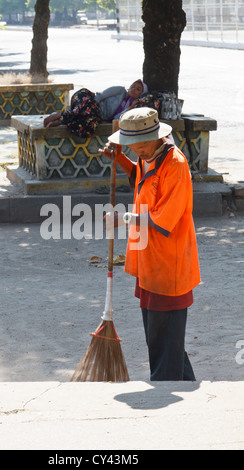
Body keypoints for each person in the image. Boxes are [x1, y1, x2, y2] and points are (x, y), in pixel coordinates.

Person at [99, 107, 201, 381]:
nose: (138, 150)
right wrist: (120, 157)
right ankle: (187, 386)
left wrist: (124, 218)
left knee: (162, 337)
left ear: (157, 136)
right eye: (132, 146)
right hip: (150, 261)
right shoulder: (149, 156)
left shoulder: (175, 164)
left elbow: (163, 219)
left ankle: (164, 390)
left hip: (169, 264)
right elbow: (141, 181)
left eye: (142, 144)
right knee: (165, 339)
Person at [43, 79, 150, 138]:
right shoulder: (120, 90)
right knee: (87, 111)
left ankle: (62, 120)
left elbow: (116, 120)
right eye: (133, 86)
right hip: (86, 98)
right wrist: (93, 106)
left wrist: (129, 109)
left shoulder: (130, 108)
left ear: (141, 94)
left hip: (95, 115)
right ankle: (60, 115)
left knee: (88, 129)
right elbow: (101, 95)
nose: (134, 89)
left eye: (138, 89)